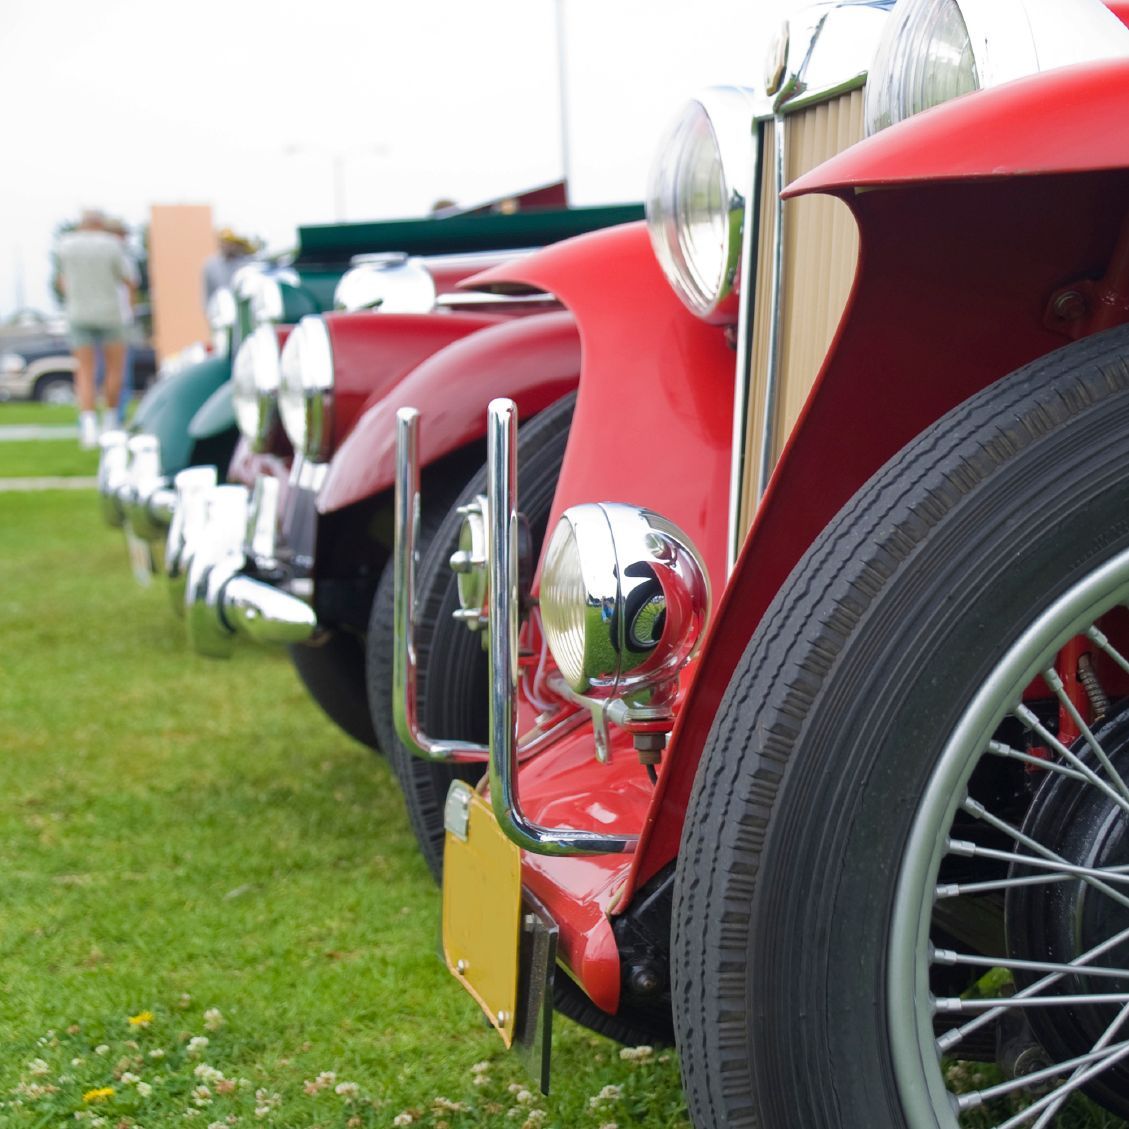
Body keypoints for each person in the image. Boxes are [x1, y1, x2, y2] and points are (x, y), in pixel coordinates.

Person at [55, 209, 138, 447]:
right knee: (114, 370)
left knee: (84, 372)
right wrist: (130, 310)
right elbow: (128, 280)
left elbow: (62, 282)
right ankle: (110, 422)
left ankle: (88, 427)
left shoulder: (66, 245)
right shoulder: (112, 245)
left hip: (78, 313)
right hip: (110, 314)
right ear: (100, 224)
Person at [202, 228, 256, 307]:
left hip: (242, 305)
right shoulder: (211, 266)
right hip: (222, 308)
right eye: (224, 242)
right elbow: (208, 293)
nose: (227, 246)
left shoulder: (245, 262)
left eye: (230, 243)